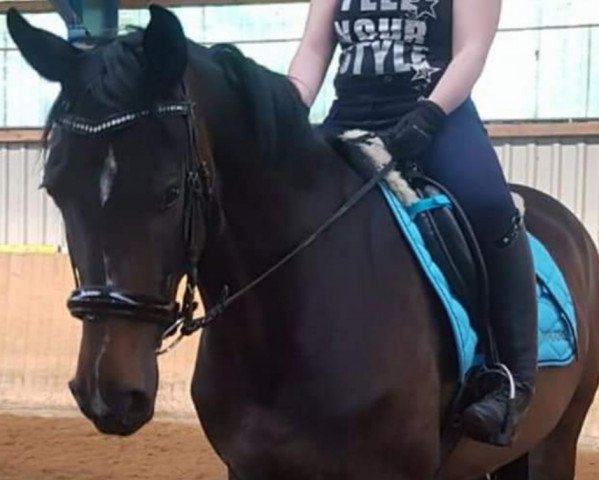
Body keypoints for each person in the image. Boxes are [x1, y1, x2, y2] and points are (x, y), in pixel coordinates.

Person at [287, 0, 537, 446]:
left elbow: (471, 52)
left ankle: (511, 382)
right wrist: (290, 105)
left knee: (488, 205)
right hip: (349, 113)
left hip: (435, 112)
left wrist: (429, 114)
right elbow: (313, 48)